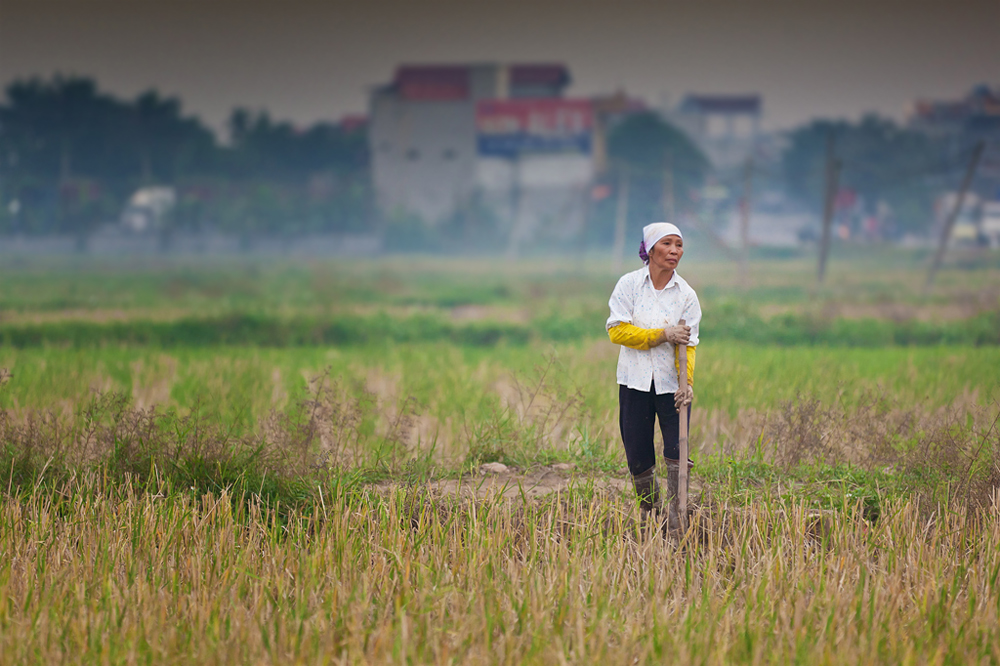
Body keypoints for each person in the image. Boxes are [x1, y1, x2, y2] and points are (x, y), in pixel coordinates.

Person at [606, 222, 700, 530]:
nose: (675, 251)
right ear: (649, 249)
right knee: (638, 455)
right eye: (667, 244)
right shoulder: (629, 285)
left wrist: (687, 384)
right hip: (634, 382)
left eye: (679, 245)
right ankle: (651, 514)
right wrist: (662, 334)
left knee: (677, 451)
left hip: (671, 386)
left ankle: (677, 522)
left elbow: (690, 345)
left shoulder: (686, 295)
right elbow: (617, 331)